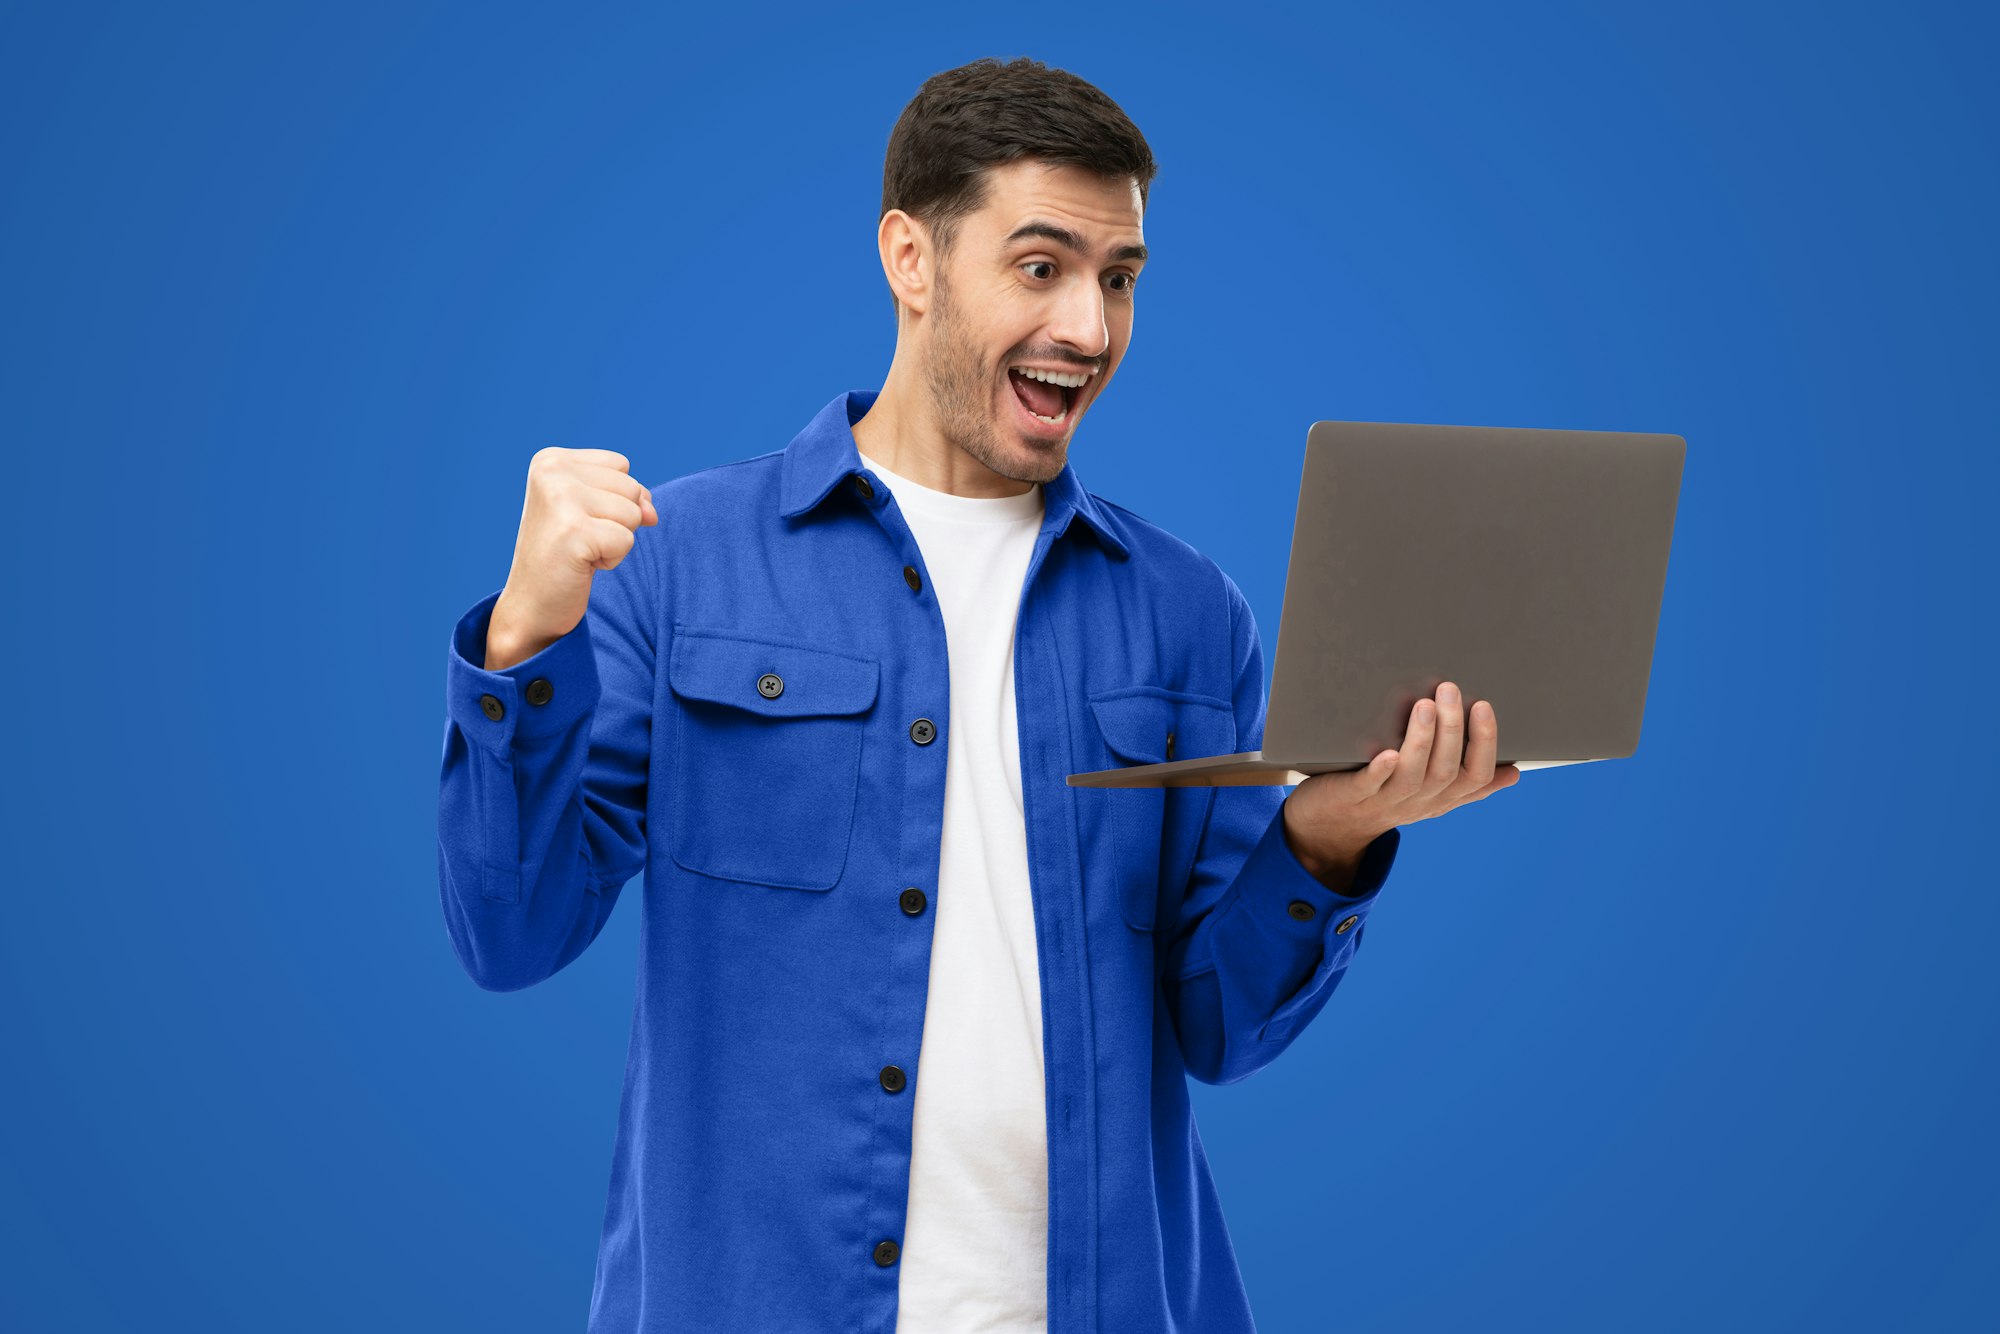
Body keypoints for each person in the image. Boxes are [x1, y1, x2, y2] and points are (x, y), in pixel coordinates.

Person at [437, 55, 1519, 1334]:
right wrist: (525, 634)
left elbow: (1220, 1028)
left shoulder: (1184, 611)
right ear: (910, 256)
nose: (1090, 328)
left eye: (1118, 279)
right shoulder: (676, 560)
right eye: (1040, 265)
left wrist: (1334, 834)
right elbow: (510, 933)